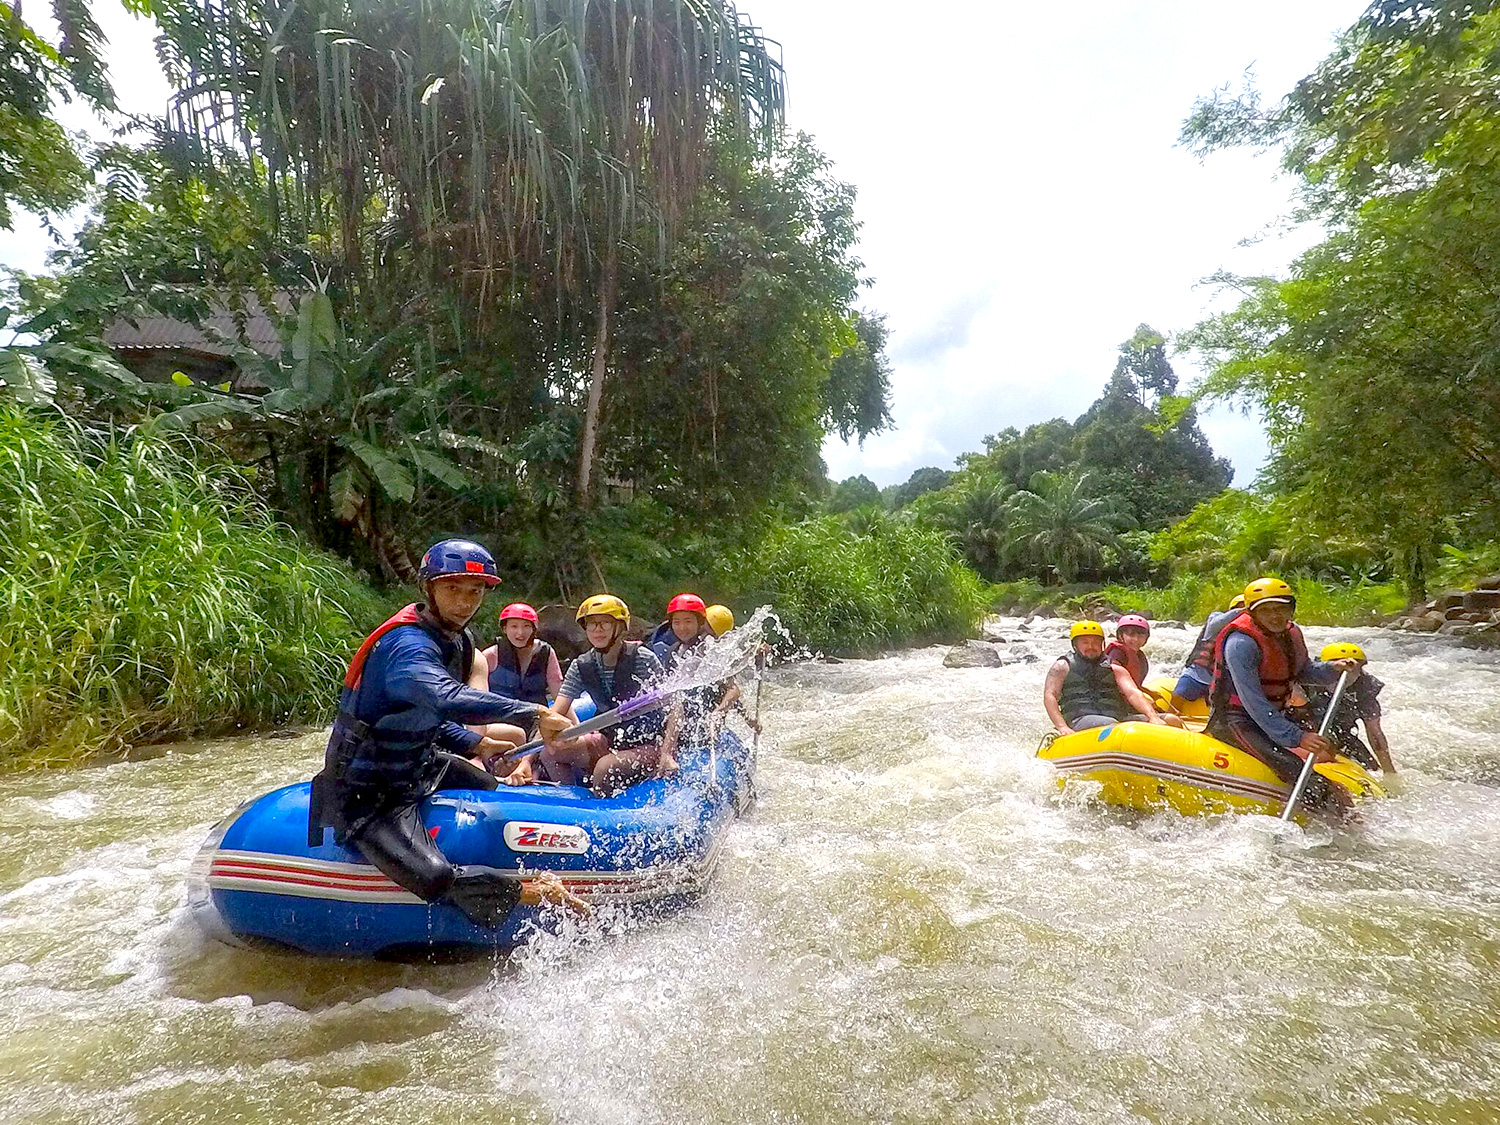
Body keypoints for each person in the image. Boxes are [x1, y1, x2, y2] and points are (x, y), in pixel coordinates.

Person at [307, 539, 586, 925]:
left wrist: (477, 742)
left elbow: (427, 717)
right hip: (367, 795)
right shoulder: (406, 646)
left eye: (475, 591)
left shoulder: (457, 640)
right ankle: (536, 892)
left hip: (419, 766)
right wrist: (534, 712)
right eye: (452, 588)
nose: (465, 601)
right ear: (429, 588)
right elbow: (444, 696)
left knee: (487, 784)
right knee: (435, 878)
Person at [1207, 577, 1363, 814]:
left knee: (1327, 750)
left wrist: (1332, 669)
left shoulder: (1290, 633)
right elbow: (1253, 701)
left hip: (1274, 714)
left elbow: (1304, 671)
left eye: (1280, 609)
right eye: (1266, 610)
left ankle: (1342, 815)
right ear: (1252, 613)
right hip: (1235, 720)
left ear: (1291, 609)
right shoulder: (1241, 643)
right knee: (1294, 767)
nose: (1275, 616)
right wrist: (1296, 736)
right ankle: (1334, 820)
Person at [538, 594, 681, 796]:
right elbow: (554, 714)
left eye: (605, 623)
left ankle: (599, 807)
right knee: (550, 754)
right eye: (592, 624)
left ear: (620, 627)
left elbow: (674, 706)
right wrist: (525, 762)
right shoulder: (581, 665)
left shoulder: (642, 659)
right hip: (609, 740)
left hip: (648, 745)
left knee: (604, 768)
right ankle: (570, 800)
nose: (597, 630)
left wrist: (667, 753)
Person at [1044, 620, 1169, 735]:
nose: (1091, 647)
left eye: (1095, 642)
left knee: (1171, 720)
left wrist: (1153, 717)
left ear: (1102, 644)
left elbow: (1132, 692)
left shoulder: (1114, 667)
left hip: (1117, 719)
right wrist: (1062, 727)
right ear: (1075, 645)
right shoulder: (1062, 666)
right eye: (1085, 642)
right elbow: (1050, 695)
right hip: (1079, 720)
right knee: (1111, 724)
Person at [1289, 642, 1396, 774]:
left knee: (1372, 769)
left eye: (1354, 670)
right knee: (1322, 753)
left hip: (1341, 735)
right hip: (1301, 730)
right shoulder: (1306, 677)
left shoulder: (1364, 688)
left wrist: (1389, 770)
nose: (1346, 676)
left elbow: (1374, 731)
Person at [1173, 593, 1246, 703]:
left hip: (1221, 683)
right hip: (1195, 676)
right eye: (1239, 607)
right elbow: (1214, 624)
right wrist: (1242, 611)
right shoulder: (1216, 618)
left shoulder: (1246, 635)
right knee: (1178, 696)